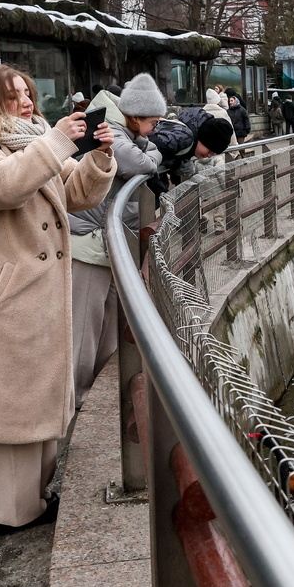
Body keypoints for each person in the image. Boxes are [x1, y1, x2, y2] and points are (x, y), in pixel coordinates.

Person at [0, 64, 116, 536]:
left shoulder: (33, 140)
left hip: (35, 296)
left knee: (39, 400)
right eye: (11, 95)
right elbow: (3, 186)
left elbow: (78, 192)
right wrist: (58, 141)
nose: (25, 101)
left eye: (27, 92)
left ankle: (34, 498)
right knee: (17, 410)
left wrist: (100, 156)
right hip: (6, 299)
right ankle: (11, 514)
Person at [68, 73, 164, 409]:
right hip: (88, 241)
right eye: (152, 122)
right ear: (136, 116)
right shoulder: (104, 128)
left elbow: (151, 154)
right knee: (85, 327)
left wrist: (148, 153)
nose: (154, 129)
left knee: (106, 325)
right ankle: (75, 400)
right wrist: (148, 156)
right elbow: (139, 161)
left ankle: (90, 394)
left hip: (105, 242)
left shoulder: (122, 129)